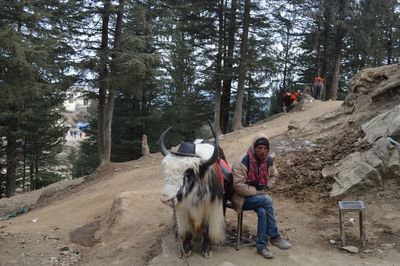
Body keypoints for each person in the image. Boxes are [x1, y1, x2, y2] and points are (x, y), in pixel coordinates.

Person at [231, 134, 291, 259]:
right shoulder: (243, 161)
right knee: (267, 200)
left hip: (259, 199)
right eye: (259, 148)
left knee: (263, 211)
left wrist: (267, 187)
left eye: (265, 148)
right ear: (254, 147)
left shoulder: (268, 161)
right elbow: (238, 186)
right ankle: (274, 237)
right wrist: (257, 192)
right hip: (241, 199)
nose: (262, 151)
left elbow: (274, 175)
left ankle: (261, 246)